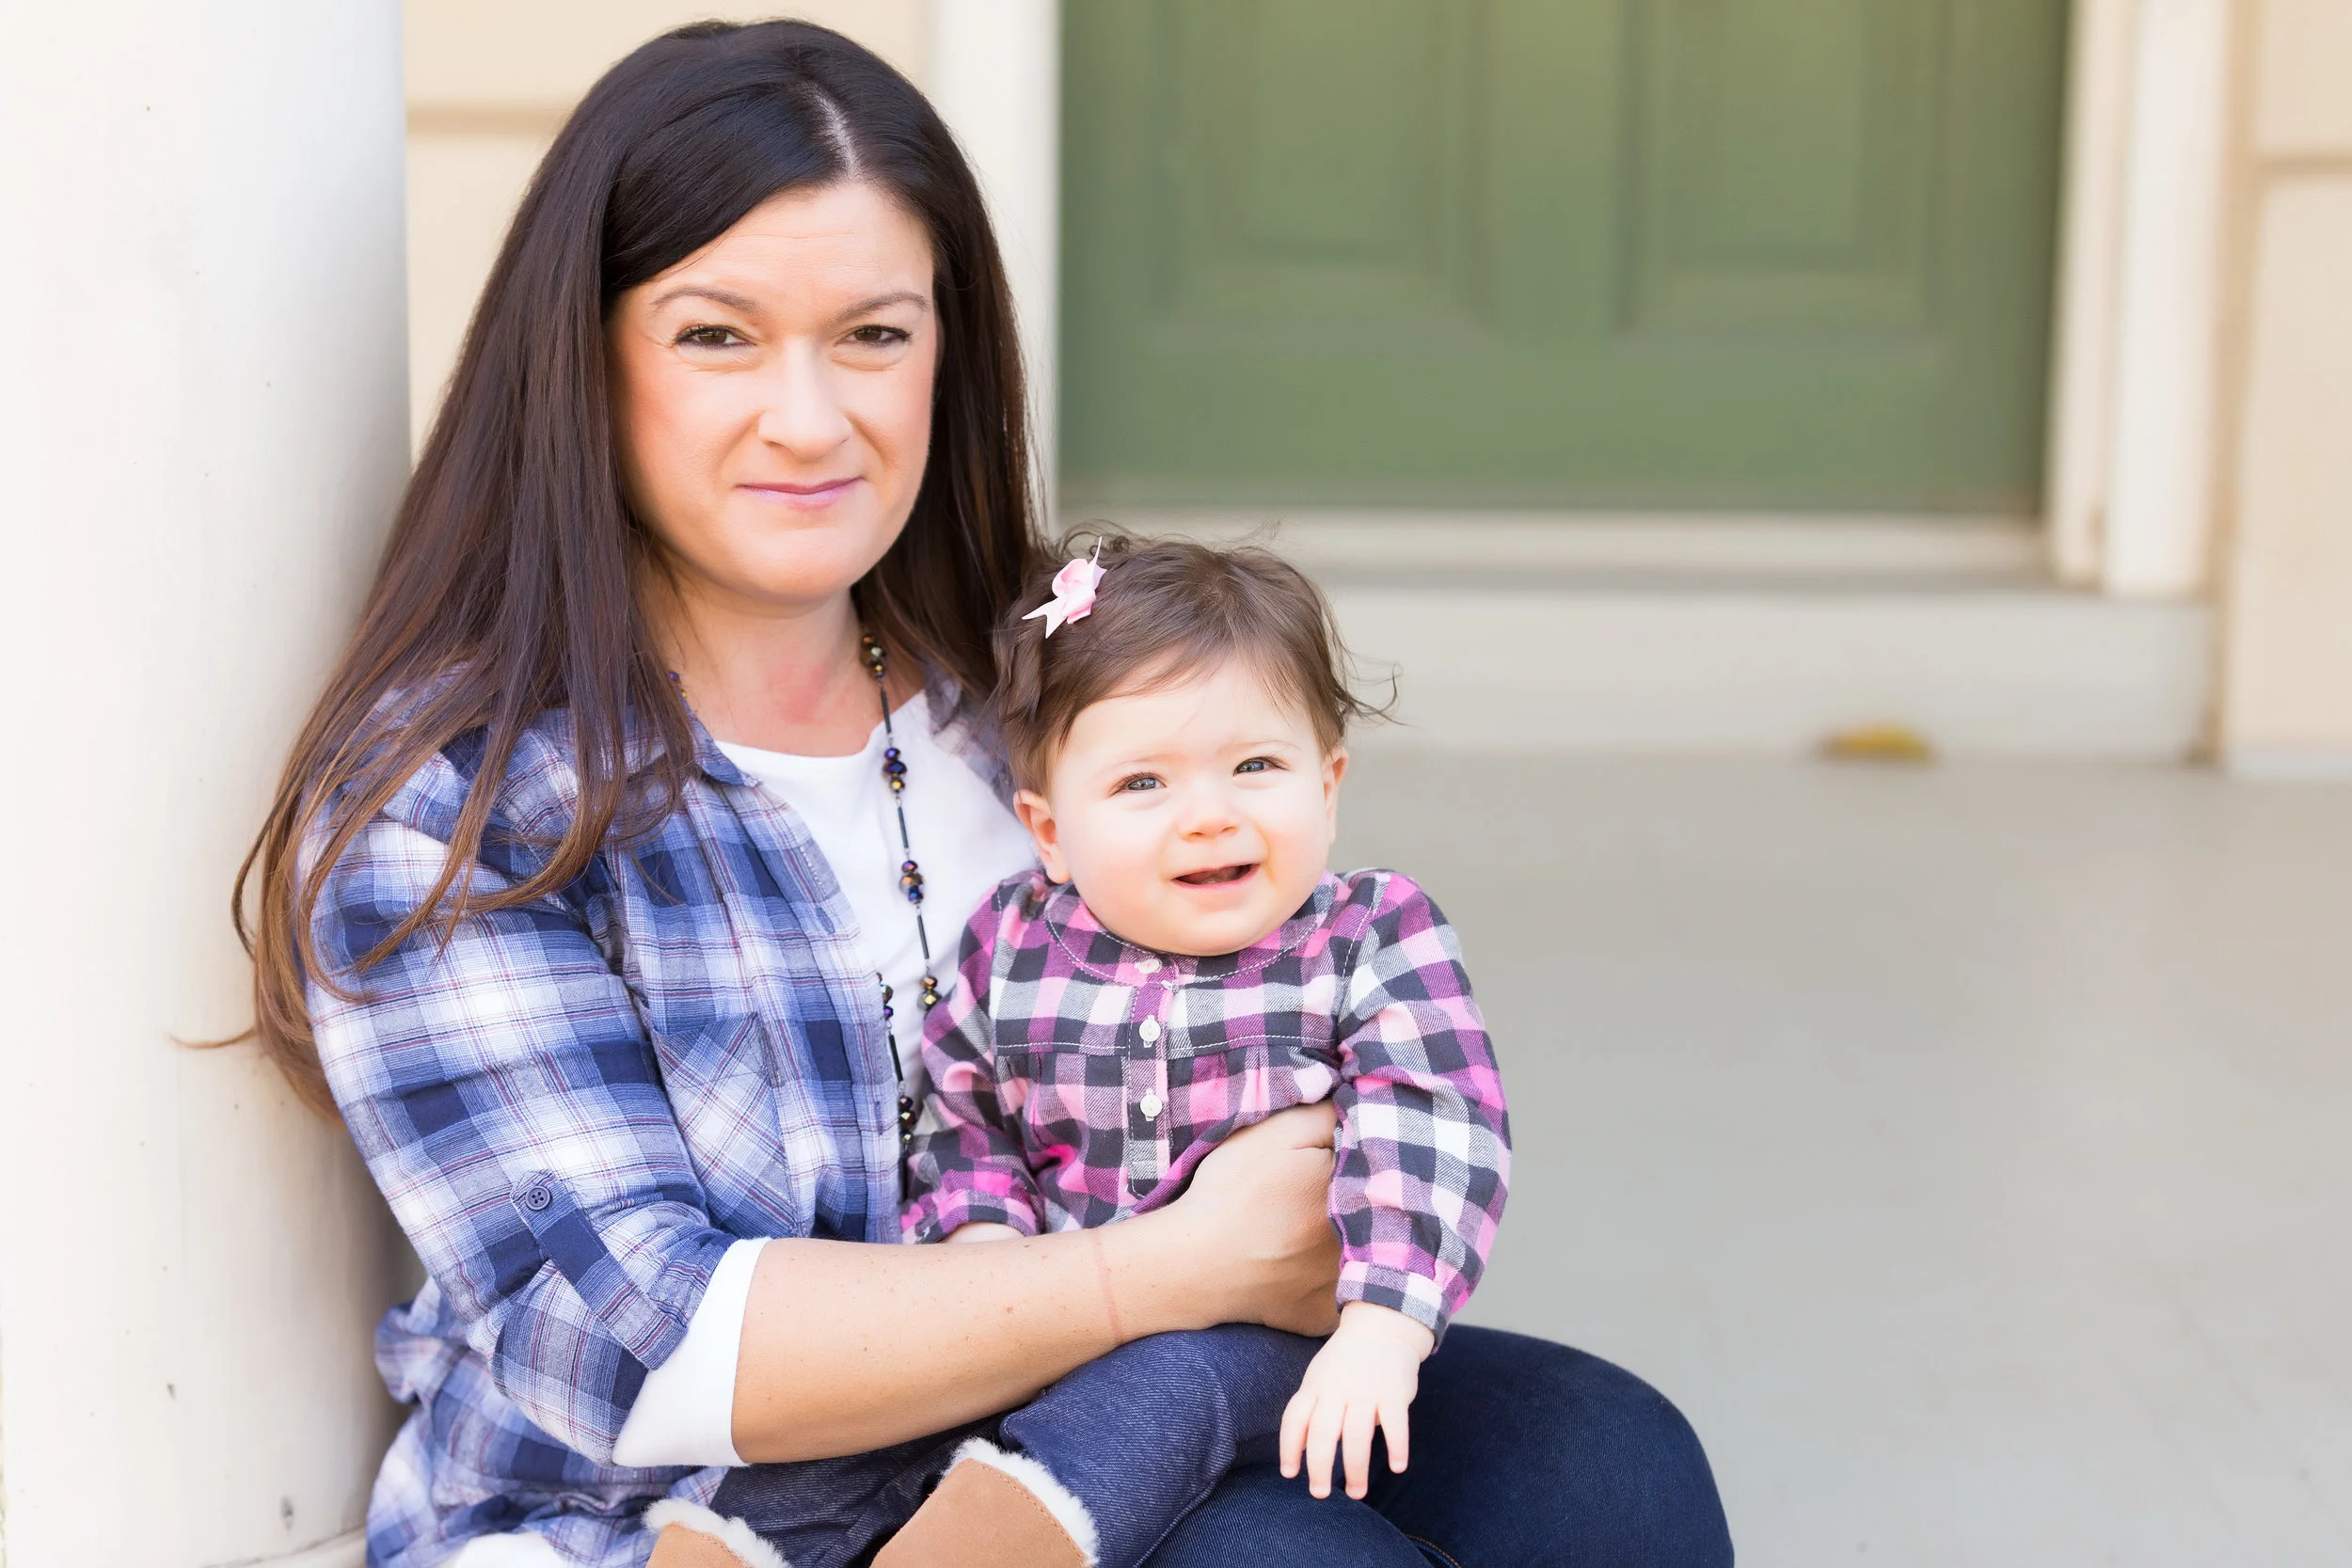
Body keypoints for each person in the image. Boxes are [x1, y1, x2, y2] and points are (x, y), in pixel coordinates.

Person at [231, 19, 1733, 1567]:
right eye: (718, 336)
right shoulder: (465, 798)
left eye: (873, 335)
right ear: (586, 359)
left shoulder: (1013, 699)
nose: (810, 418)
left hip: (1114, 1401)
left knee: (1607, 1464)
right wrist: (1173, 1264)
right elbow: (642, 1352)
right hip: (683, 1513)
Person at [708, 538, 1512, 1568]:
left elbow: (1435, 1124)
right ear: (1049, 830)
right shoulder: (1014, 943)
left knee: (1162, 1394)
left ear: (1328, 783)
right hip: (1049, 1319)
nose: (1209, 814)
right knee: (860, 1433)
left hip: (1265, 1340)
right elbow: (965, 1113)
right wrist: (986, 1249)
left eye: (1256, 765)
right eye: (1142, 781)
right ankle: (726, 1545)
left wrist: (1383, 1327)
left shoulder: (1366, 935)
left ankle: (997, 1539)